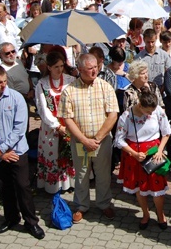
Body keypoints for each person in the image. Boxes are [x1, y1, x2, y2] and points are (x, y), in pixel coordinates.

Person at [0, 64, 45, 239]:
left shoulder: (16, 98)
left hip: (17, 152)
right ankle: (11, 218)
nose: (4, 85)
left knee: (23, 187)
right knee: (5, 189)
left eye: (5, 81)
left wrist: (3, 149)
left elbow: (19, 128)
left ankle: (31, 222)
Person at [60, 53, 119, 223]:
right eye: (89, 68)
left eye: (96, 67)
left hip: (102, 141)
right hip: (80, 142)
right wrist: (85, 140)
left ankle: (104, 203)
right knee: (82, 174)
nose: (94, 71)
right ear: (79, 69)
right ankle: (81, 206)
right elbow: (67, 119)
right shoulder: (69, 91)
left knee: (103, 175)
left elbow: (113, 115)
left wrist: (98, 139)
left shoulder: (105, 87)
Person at [115, 90, 171, 230]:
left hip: (154, 153)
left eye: (152, 111)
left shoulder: (157, 110)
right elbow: (119, 139)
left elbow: (166, 132)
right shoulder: (126, 116)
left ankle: (160, 214)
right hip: (134, 154)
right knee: (139, 188)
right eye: (148, 111)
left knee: (157, 186)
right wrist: (133, 153)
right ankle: (145, 214)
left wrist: (160, 150)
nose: (151, 114)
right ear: (140, 106)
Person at [35, 50, 76, 194]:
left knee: (69, 154)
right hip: (51, 127)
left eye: (61, 66)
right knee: (53, 154)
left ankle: (70, 183)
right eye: (56, 67)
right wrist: (56, 125)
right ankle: (54, 185)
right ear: (49, 67)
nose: (60, 69)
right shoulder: (42, 84)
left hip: (69, 123)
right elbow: (43, 108)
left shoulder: (70, 81)